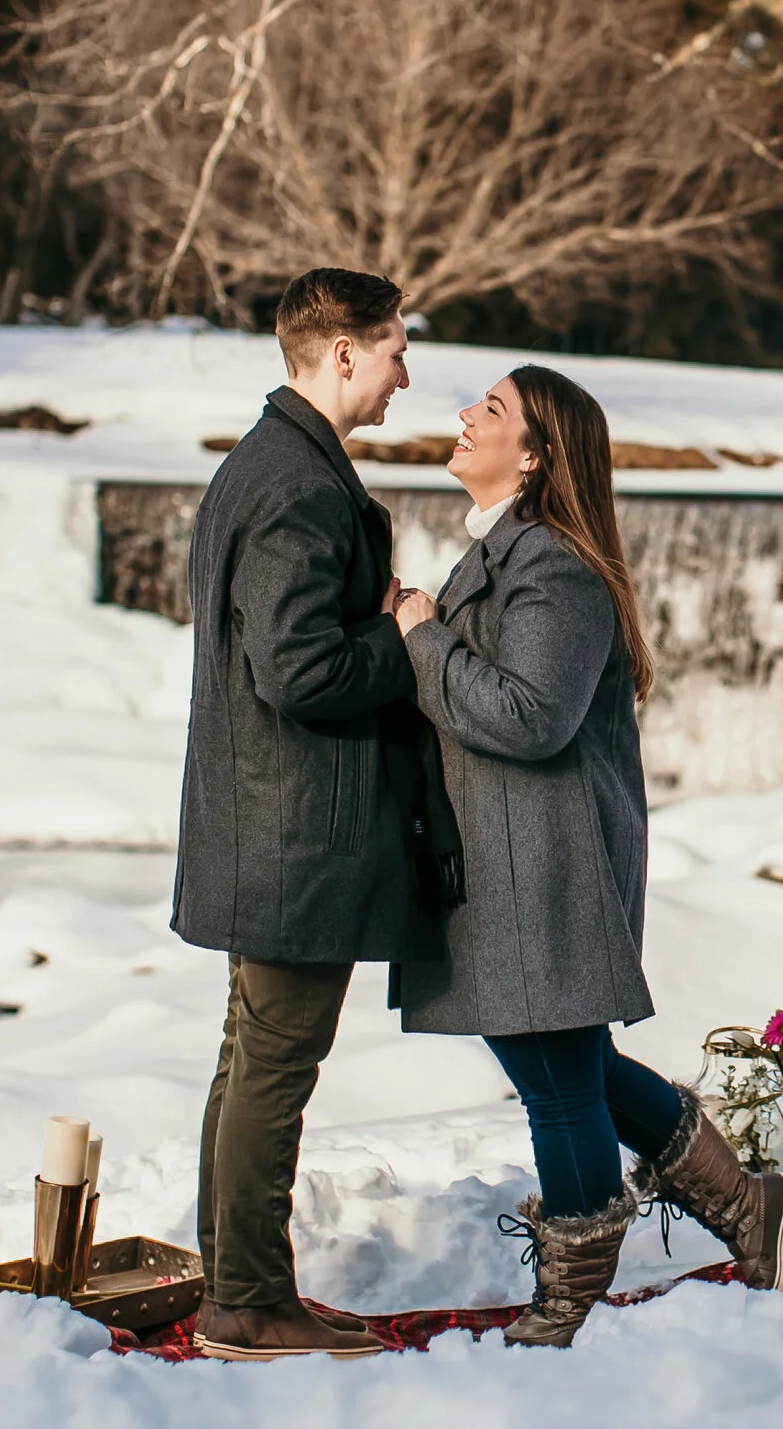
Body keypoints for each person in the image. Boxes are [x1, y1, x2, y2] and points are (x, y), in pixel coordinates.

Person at [389, 364, 783, 1348]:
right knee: (565, 1062)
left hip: (548, 858)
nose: (461, 417)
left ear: (533, 455)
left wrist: (422, 636)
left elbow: (530, 718)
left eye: (487, 410)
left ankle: (571, 1291)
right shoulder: (507, 552)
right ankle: (745, 1205)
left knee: (560, 1079)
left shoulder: (554, 568)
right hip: (504, 855)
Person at [172, 267, 452, 1362]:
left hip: (269, 825)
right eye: (393, 349)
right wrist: (401, 632)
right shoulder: (293, 481)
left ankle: (239, 1283)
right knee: (273, 1066)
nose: (404, 373)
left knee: (252, 1059)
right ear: (342, 353)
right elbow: (299, 672)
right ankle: (245, 1301)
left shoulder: (275, 458)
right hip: (297, 836)